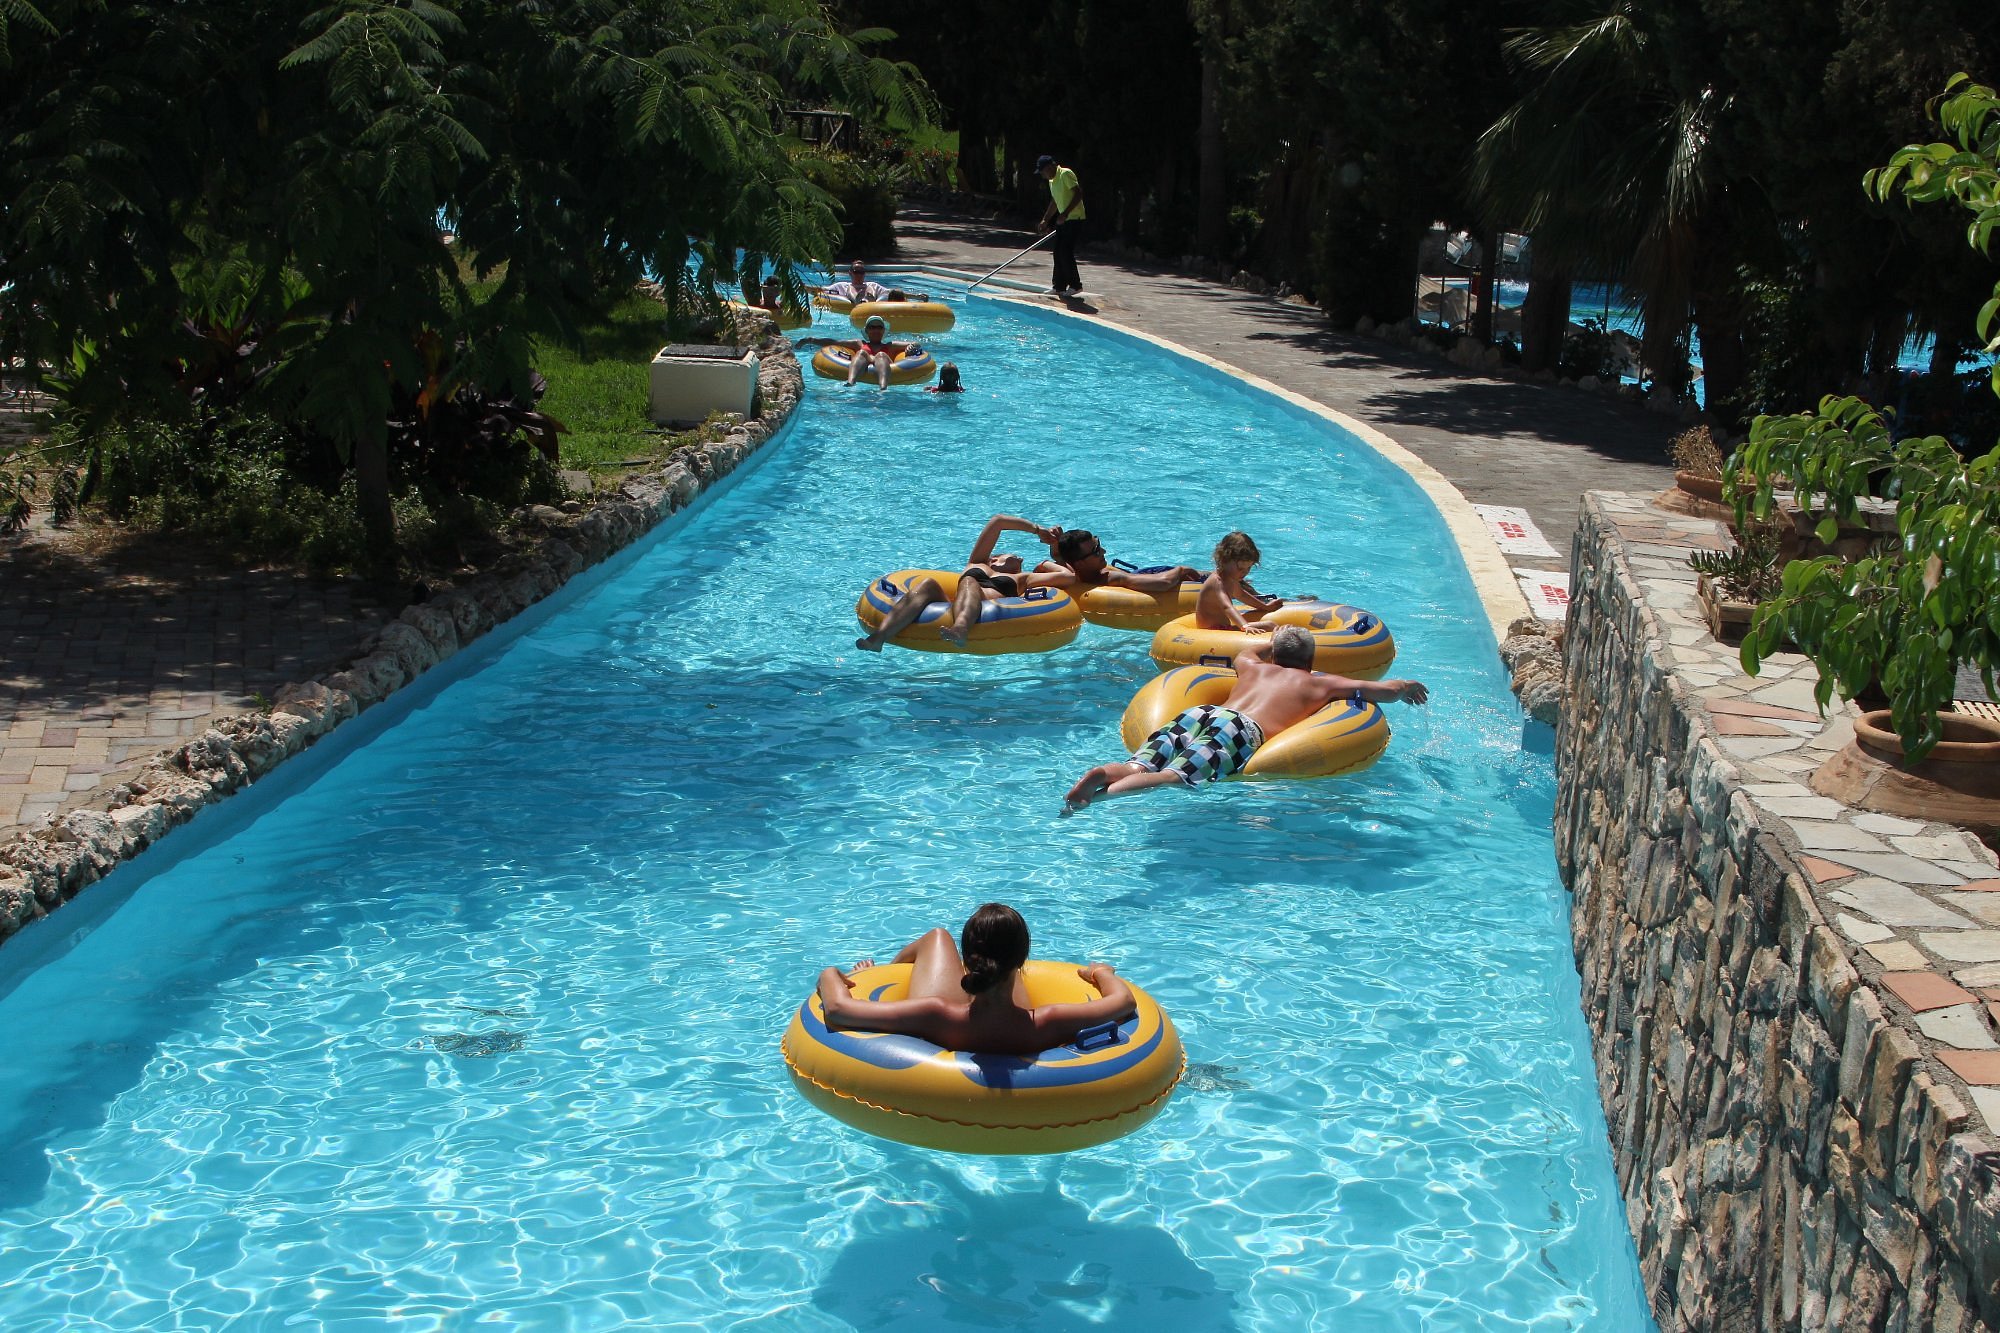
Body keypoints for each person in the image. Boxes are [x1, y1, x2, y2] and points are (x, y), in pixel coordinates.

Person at [1061, 625, 1430, 814]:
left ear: (1275, 655)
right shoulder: (1320, 683)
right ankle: (1101, 798)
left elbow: (1247, 651)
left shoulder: (1252, 667)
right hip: (1239, 729)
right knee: (1174, 777)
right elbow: (1381, 690)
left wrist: (1273, 639)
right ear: (1310, 661)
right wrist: (1405, 686)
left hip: (1201, 713)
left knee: (1139, 764)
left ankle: (1103, 774)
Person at [815, 903, 1135, 1057]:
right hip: (1014, 1020)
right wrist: (1101, 973)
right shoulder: (1048, 1021)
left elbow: (839, 1010)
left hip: (956, 1027)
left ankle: (889, 969)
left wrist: (833, 974)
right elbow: (1123, 1002)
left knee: (937, 936)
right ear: (1022, 961)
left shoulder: (934, 1014)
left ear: (968, 961)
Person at [855, 514, 1086, 650]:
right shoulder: (978, 561)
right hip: (959, 600)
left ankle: (961, 629)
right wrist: (1037, 530)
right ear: (995, 558)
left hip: (985, 604)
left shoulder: (1022, 579)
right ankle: (878, 638)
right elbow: (998, 521)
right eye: (1014, 555)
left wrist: (1052, 555)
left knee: (969, 583)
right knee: (927, 584)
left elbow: (1068, 577)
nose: (1021, 558)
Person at [1196, 531, 1287, 633]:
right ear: (1224, 560)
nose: (1245, 573)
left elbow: (1242, 595)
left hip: (1221, 628)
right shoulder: (1217, 582)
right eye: (1240, 568)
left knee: (1270, 625)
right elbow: (1227, 607)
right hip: (1212, 631)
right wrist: (1245, 626)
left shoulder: (1230, 579)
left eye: (1248, 568)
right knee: (1270, 625)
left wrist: (1265, 607)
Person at [1036, 155, 1087, 296]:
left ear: (1049, 167)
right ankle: (1059, 286)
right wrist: (1045, 220)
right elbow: (1054, 201)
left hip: (1074, 218)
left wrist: (1065, 213)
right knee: (1057, 252)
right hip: (1063, 220)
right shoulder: (1052, 181)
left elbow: (1078, 194)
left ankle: (1075, 285)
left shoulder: (1065, 174)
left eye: (1042, 171)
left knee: (1065, 251)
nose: (1042, 175)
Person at [844, 315, 921, 390]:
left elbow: (915, 343)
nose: (876, 330)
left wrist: (911, 347)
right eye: (872, 327)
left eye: (879, 327)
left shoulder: (890, 346)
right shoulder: (859, 343)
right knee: (861, 353)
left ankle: (883, 388)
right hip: (862, 362)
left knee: (881, 355)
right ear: (866, 330)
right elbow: (837, 342)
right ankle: (850, 383)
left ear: (883, 330)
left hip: (884, 364)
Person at [820, 261, 888, 305]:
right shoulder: (842, 286)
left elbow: (888, 292)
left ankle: (871, 301)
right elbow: (823, 290)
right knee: (851, 288)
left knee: (870, 287)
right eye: (856, 272)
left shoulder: (874, 285)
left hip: (872, 304)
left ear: (865, 273)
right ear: (850, 273)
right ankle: (856, 300)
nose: (859, 275)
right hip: (853, 302)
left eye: (861, 272)